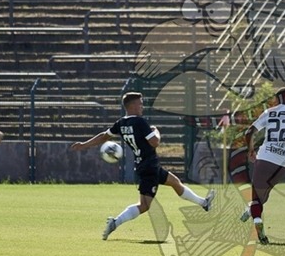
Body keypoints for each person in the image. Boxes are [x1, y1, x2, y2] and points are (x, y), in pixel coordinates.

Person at [70, 91, 215, 240]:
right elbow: (155, 142)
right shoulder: (140, 122)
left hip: (145, 165)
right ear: (132, 105)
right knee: (144, 205)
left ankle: (203, 203)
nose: (142, 106)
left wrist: (84, 145)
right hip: (149, 167)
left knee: (175, 182)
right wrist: (156, 131)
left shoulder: (121, 123)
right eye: (140, 104)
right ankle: (115, 222)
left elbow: (104, 136)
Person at [243, 87, 285, 244]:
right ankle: (250, 210)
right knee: (264, 195)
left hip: (265, 157)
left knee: (257, 196)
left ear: (278, 98)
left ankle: (257, 219)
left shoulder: (269, 112)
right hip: (283, 162)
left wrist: (250, 150)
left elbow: (249, 132)